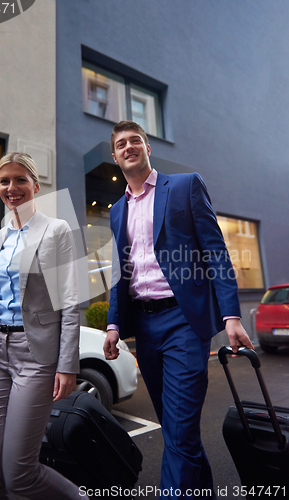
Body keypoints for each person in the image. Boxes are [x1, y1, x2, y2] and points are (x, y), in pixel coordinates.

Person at [103, 121, 254, 499]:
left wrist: (230, 316)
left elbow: (216, 252)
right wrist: (113, 323)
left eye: (135, 140)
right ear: (114, 156)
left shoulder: (185, 186)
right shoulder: (117, 209)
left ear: (147, 147)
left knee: (181, 430)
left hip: (184, 322)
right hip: (146, 327)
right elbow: (122, 270)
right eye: (120, 144)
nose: (128, 147)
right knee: (175, 431)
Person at [0, 152, 87, 500]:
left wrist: (67, 365)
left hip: (35, 356)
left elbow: (71, 301)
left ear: (36, 185)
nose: (12, 187)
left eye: (20, 180)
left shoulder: (57, 229)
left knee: (19, 473)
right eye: (4, 181)